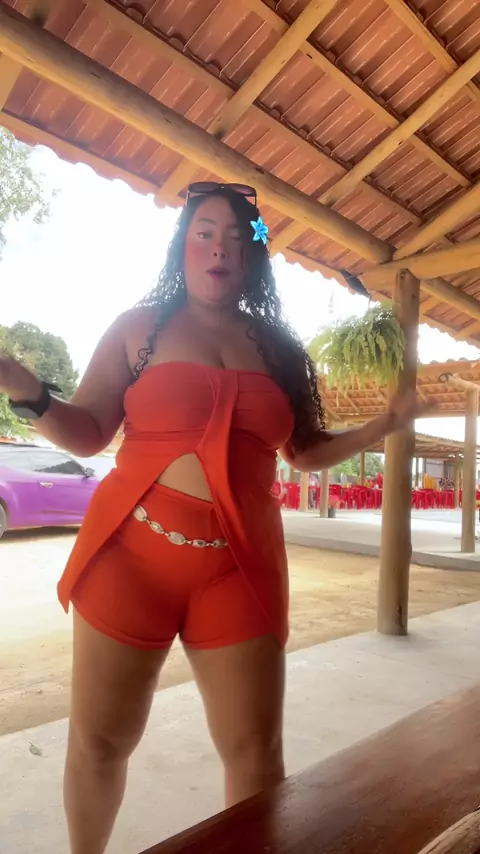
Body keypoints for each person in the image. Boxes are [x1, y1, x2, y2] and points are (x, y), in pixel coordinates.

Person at [0, 181, 423, 854]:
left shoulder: (281, 350)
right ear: (183, 246)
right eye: (204, 233)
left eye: (235, 237)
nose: (219, 247)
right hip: (130, 558)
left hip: (239, 569)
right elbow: (88, 432)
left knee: (256, 753)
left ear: (254, 254)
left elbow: (304, 451)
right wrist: (28, 392)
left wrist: (384, 425)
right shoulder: (139, 329)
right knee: (101, 741)